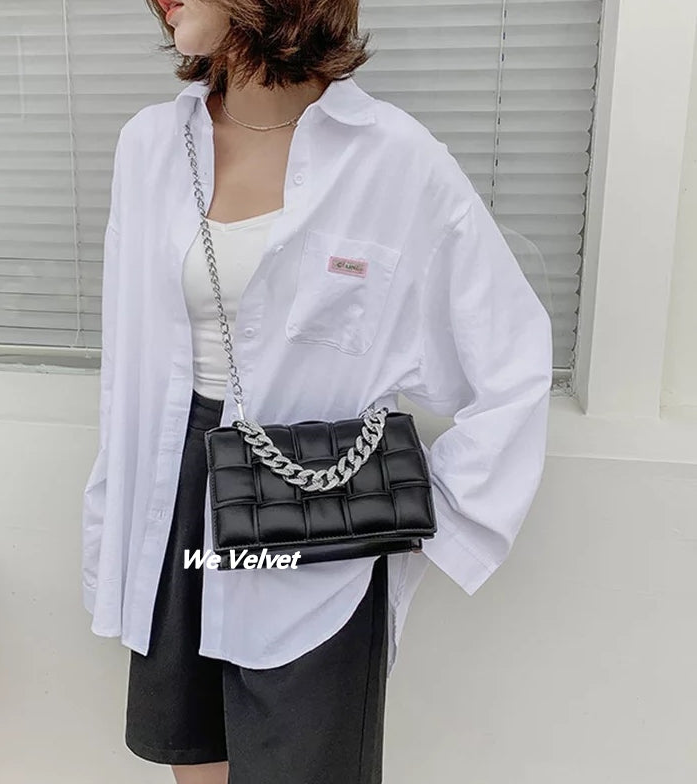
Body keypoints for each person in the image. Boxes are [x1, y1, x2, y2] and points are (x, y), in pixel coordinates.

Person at [80, 1, 554, 782]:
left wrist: (436, 510)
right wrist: (110, 514)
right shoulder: (150, 144)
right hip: (175, 490)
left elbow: (512, 357)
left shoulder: (395, 158)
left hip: (313, 514)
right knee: (195, 761)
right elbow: (127, 356)